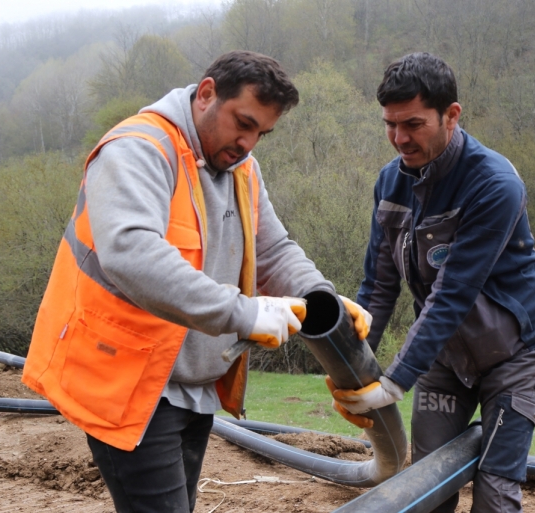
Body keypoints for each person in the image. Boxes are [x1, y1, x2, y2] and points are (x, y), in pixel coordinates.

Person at [22, 50, 370, 513]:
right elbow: (132, 254)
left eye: (260, 133)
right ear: (206, 94)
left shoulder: (240, 168)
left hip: (192, 385)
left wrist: (321, 298)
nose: (248, 143)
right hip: (130, 386)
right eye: (241, 123)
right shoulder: (138, 149)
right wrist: (246, 313)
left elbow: (271, 249)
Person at [327, 52, 535, 513]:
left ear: (451, 115)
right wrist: (353, 369)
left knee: (494, 492)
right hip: (444, 357)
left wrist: (393, 382)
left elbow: (453, 293)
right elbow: (378, 286)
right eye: (390, 124)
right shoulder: (390, 183)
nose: (399, 138)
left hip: (512, 357)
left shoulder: (494, 183)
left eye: (413, 124)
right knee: (427, 486)